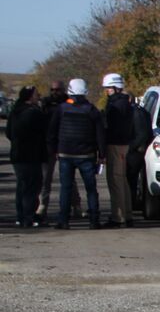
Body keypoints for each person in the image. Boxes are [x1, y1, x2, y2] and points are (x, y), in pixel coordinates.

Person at [46, 78, 106, 229]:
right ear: (85, 91)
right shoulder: (92, 110)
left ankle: (63, 221)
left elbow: (52, 131)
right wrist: (102, 155)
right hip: (87, 155)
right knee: (91, 189)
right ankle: (94, 220)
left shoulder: (62, 108)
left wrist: (53, 150)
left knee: (65, 188)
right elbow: (100, 134)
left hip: (65, 154)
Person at [6, 86, 47, 227]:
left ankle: (21, 215)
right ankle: (28, 216)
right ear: (30, 97)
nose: (39, 96)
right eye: (36, 94)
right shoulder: (34, 113)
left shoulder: (15, 111)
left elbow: (8, 133)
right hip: (31, 156)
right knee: (32, 186)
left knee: (21, 186)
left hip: (17, 155)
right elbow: (44, 132)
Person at [37, 79, 74, 224]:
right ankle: (42, 206)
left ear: (63, 90)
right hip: (49, 144)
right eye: (52, 90)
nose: (54, 93)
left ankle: (75, 205)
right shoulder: (45, 104)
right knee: (46, 178)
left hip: (66, 143)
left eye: (57, 90)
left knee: (69, 179)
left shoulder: (68, 103)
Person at [101, 72, 135, 226]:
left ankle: (118, 216)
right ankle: (127, 214)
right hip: (124, 144)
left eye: (108, 88)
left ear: (115, 88)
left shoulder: (116, 105)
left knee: (115, 181)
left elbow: (111, 126)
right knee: (122, 180)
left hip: (115, 145)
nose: (106, 91)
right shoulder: (125, 103)